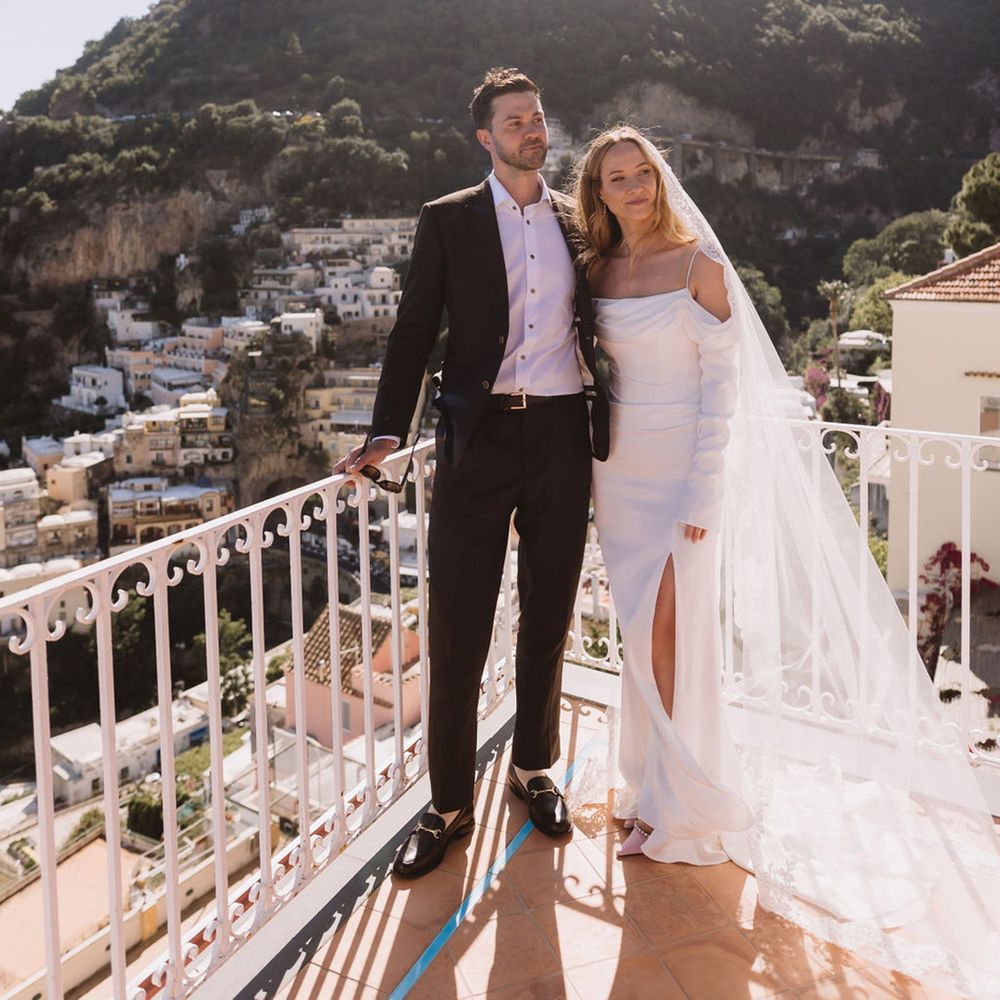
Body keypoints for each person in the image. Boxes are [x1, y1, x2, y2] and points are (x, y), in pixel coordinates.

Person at [573, 125, 1000, 998]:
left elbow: (722, 389)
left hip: (683, 480)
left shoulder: (701, 267)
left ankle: (681, 807)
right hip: (615, 478)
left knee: (671, 638)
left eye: (641, 174)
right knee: (639, 636)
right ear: (600, 192)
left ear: (659, 178)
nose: (631, 189)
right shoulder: (599, 273)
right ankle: (649, 786)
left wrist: (700, 494)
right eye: (615, 179)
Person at [334, 68, 609, 880]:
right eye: (514, 121)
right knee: (457, 627)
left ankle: (533, 769)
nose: (532, 129)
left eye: (538, 116)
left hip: (563, 434)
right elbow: (414, 332)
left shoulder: (576, 219)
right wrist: (389, 429)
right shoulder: (448, 219)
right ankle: (449, 805)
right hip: (474, 443)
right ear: (485, 137)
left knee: (550, 614)